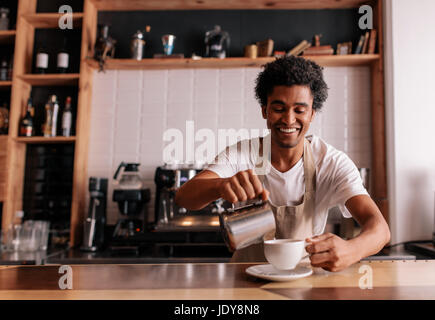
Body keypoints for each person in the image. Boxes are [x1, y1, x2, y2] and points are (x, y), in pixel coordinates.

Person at [175, 55, 390, 272]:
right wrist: (220, 186)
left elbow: (380, 229)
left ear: (312, 113)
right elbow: (184, 197)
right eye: (279, 108)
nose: (288, 119)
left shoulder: (330, 162)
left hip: (306, 282)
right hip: (245, 283)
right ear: (265, 111)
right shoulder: (242, 154)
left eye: (299, 110)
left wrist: (352, 250)